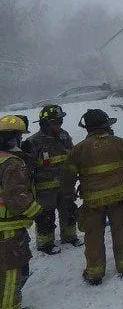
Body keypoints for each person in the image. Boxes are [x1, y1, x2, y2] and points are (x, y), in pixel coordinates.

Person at [62, 109, 123, 285]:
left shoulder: (78, 150)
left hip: (92, 202)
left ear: (88, 127)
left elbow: (68, 176)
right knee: (121, 230)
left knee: (93, 236)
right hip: (118, 199)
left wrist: (68, 195)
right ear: (106, 124)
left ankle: (94, 273)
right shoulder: (120, 143)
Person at [21, 104, 83, 255]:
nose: (58, 125)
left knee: (69, 211)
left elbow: (73, 157)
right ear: (45, 123)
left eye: (60, 122)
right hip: (44, 189)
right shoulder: (33, 142)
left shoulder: (64, 136)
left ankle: (69, 237)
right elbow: (26, 169)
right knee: (46, 216)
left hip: (66, 185)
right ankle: (45, 244)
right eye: (55, 122)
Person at [0, 115, 42, 309]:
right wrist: (37, 213)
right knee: (12, 271)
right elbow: (17, 198)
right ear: (13, 138)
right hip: (8, 227)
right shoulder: (12, 164)